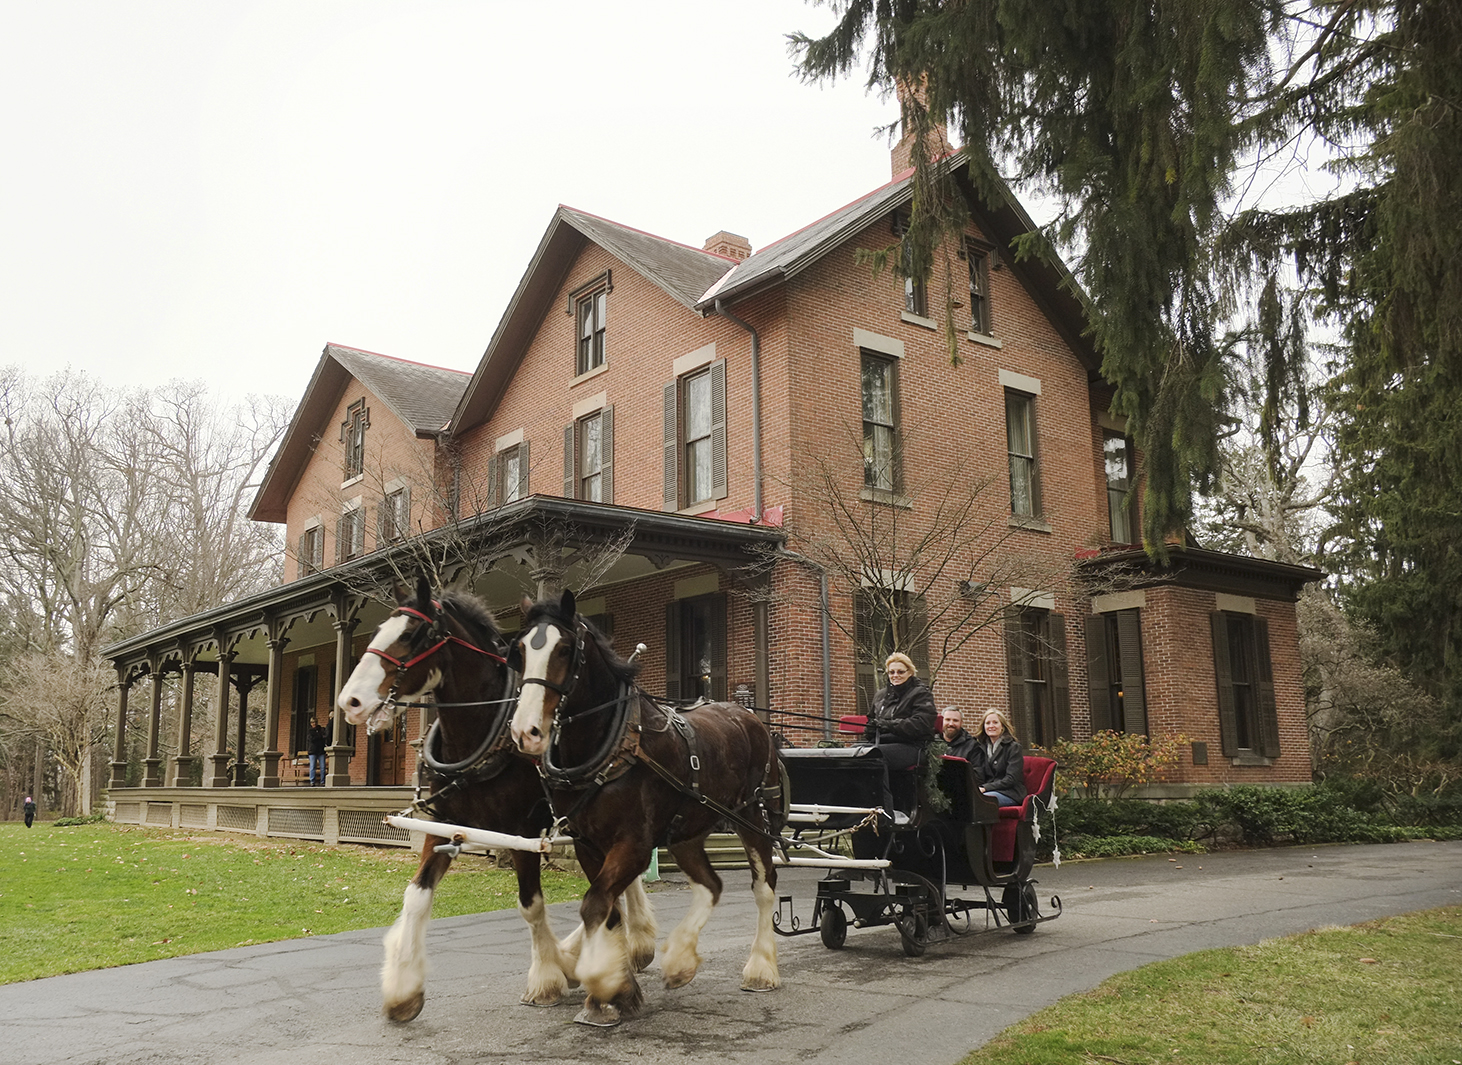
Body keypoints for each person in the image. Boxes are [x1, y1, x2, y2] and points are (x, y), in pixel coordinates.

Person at [862, 652, 937, 820]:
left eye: (900, 672)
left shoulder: (921, 694)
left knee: (875, 755)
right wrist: (870, 730)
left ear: (910, 672)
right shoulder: (881, 696)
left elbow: (920, 724)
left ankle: (885, 811)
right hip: (883, 743)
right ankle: (860, 804)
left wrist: (889, 725)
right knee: (854, 752)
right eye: (891, 672)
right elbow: (871, 720)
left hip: (912, 747)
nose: (895, 676)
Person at [969, 708, 1026, 807]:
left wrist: (985, 788)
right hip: (987, 791)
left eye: (995, 722)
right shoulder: (981, 748)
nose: (991, 726)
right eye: (988, 723)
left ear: (1002, 727)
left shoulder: (1014, 748)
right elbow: (979, 775)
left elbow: (1011, 779)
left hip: (1009, 793)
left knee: (981, 801)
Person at [307, 716, 331, 786]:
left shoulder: (321, 729)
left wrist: (319, 737)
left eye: (315, 722)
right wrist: (319, 737)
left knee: (323, 767)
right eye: (312, 722)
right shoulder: (310, 731)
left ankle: (322, 781)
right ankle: (312, 781)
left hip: (321, 750)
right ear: (311, 723)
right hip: (313, 751)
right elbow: (311, 739)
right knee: (312, 767)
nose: (314, 724)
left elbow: (325, 737)